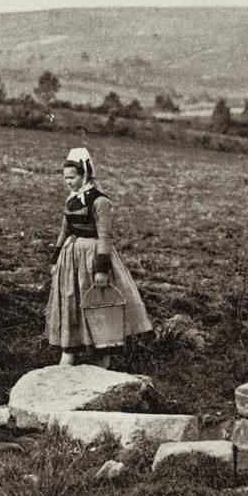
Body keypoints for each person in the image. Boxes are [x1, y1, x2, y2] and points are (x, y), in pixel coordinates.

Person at [47, 147, 153, 366]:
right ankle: (69, 353)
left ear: (84, 174)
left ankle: (103, 360)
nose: (68, 182)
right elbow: (65, 230)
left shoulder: (99, 201)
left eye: (72, 177)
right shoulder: (71, 200)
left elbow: (105, 236)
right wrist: (55, 258)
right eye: (65, 178)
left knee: (98, 305)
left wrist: (101, 269)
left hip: (92, 259)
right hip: (71, 260)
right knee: (71, 302)